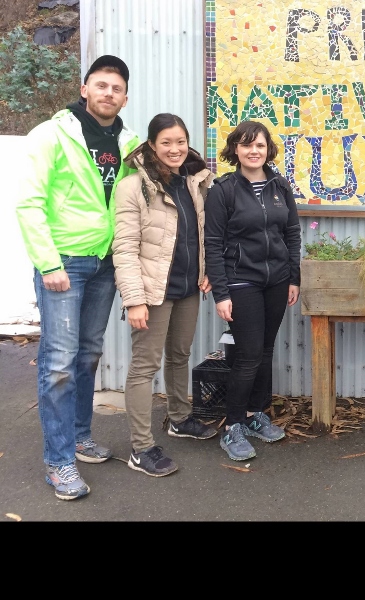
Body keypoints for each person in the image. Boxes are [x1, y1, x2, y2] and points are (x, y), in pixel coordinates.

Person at [16, 55, 140, 500]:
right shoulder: (52, 134)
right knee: (58, 362)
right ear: (85, 88)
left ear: (126, 97)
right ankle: (58, 461)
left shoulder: (129, 142)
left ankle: (79, 436)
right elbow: (28, 202)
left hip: (106, 261)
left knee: (88, 355)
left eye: (117, 88)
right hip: (64, 263)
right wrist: (48, 263)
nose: (109, 93)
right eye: (101, 85)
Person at [112, 113, 218, 477]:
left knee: (180, 354)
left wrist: (205, 272)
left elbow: (200, 234)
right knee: (144, 367)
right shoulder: (133, 188)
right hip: (152, 293)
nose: (175, 149)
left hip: (188, 288)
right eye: (166, 142)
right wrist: (134, 299)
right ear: (152, 145)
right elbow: (124, 249)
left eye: (180, 141)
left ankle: (179, 419)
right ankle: (141, 448)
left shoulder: (194, 182)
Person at [204, 120, 301, 461]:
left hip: (276, 280)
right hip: (240, 280)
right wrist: (221, 293)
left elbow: (292, 233)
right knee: (247, 354)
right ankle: (233, 426)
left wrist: (294, 277)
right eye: (246, 145)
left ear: (268, 149)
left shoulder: (280, 187)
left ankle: (256, 414)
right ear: (236, 150)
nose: (253, 151)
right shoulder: (223, 190)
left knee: (265, 350)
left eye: (259, 145)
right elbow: (213, 244)